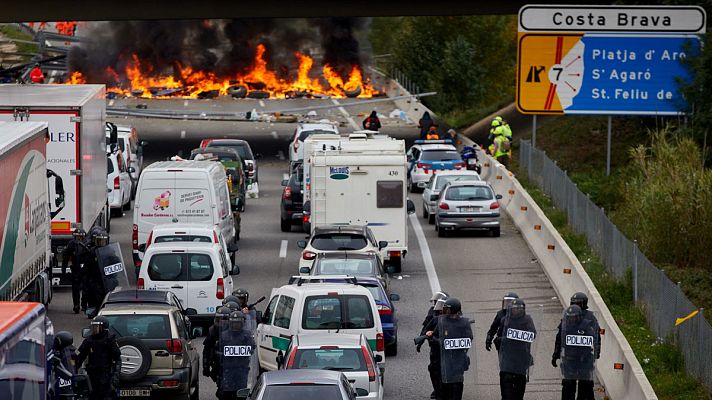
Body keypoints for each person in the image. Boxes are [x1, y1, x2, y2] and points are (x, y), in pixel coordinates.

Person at [552, 292, 600, 399]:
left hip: (584, 359)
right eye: (574, 303)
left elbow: (596, 337)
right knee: (568, 384)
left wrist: (597, 351)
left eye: (578, 304)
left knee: (585, 385)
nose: (576, 306)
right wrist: (556, 354)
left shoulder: (589, 319)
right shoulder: (566, 318)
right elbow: (559, 337)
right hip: (569, 359)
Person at [427, 298, 473, 400]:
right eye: (444, 309)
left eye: (447, 309)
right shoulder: (440, 322)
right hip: (443, 362)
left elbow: (469, 339)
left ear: (454, 310)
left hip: (458, 362)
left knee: (456, 390)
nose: (445, 311)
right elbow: (434, 336)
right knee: (442, 392)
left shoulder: (464, 323)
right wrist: (431, 337)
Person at [497, 298, 536, 400]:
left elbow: (533, 334)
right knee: (506, 392)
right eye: (514, 309)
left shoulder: (527, 320)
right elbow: (498, 338)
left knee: (519, 392)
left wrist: (519, 337)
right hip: (508, 358)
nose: (516, 311)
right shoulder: (504, 320)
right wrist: (502, 340)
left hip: (521, 357)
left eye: (519, 309)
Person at [75, 316, 121, 400]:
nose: (94, 329)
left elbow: (117, 359)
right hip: (92, 375)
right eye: (93, 327)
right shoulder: (89, 340)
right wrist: (74, 370)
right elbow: (80, 357)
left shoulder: (110, 340)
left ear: (103, 328)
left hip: (106, 376)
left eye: (97, 327)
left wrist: (116, 375)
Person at [216, 311, 256, 400]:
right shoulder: (224, 335)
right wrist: (221, 355)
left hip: (242, 369)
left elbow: (252, 349)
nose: (236, 325)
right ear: (230, 323)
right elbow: (218, 350)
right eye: (234, 323)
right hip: (228, 370)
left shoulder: (247, 335)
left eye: (238, 323)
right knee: (225, 395)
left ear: (242, 323)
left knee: (242, 395)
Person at [62, 228, 90, 313]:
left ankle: (84, 305)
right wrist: (64, 269)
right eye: (77, 237)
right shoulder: (71, 244)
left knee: (86, 288)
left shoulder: (88, 244)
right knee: (75, 288)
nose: (78, 239)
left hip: (86, 270)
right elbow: (66, 257)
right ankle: (76, 305)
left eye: (80, 237)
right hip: (76, 269)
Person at [204, 307, 232, 389]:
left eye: (223, 319)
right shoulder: (212, 330)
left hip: (234, 365)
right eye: (218, 319)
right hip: (219, 364)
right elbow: (207, 350)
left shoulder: (235, 331)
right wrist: (206, 366)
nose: (220, 322)